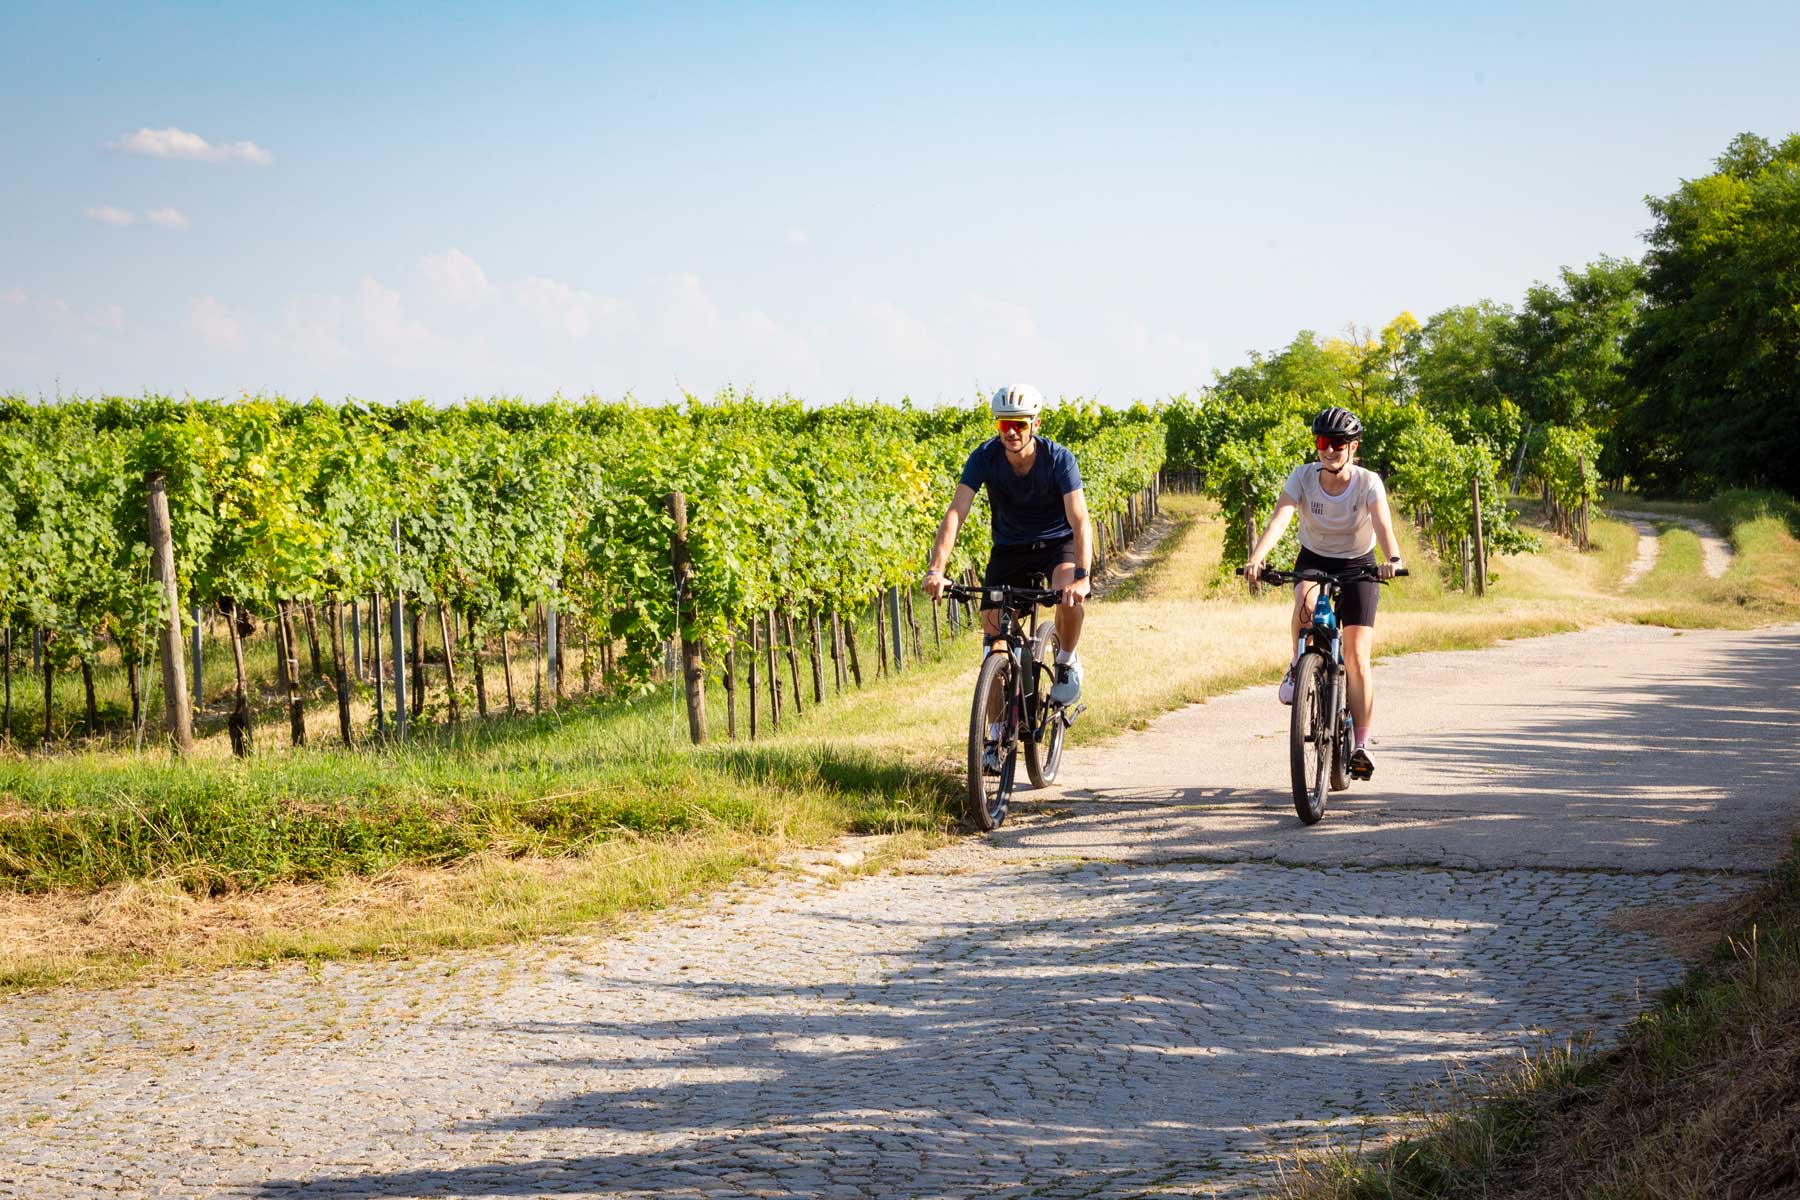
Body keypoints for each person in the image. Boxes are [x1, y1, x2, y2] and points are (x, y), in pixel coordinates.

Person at [1244, 406, 1403, 779]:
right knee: (1305, 603)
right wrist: (1257, 558)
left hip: (1358, 564)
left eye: (1338, 443)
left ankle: (1361, 744)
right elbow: (1280, 517)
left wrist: (1392, 557)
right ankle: (1299, 666)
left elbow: (1382, 524)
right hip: (1314, 558)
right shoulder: (1302, 478)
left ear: (1353, 447)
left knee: (1357, 655)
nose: (1329, 450)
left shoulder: (1368, 482)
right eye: (1322, 442)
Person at [922, 384, 1094, 715]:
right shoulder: (984, 457)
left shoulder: (1059, 460)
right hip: (1009, 550)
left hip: (1057, 544)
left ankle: (1067, 660)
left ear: (1036, 424)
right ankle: (995, 736)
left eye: (1020, 424)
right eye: (1004, 424)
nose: (1012, 432)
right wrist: (936, 570)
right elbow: (956, 512)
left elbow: (1080, 521)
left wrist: (1082, 579)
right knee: (994, 643)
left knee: (1067, 593)